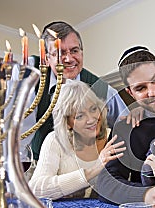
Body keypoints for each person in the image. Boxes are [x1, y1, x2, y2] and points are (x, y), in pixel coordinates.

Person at [96, 46, 155, 208]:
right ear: (130, 93)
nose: (152, 92)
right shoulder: (127, 128)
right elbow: (105, 183)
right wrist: (145, 194)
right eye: (141, 88)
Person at [22, 21, 128, 160]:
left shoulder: (102, 89)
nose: (69, 59)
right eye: (60, 53)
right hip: (39, 168)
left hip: (88, 169)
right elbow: (18, 132)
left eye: (74, 51)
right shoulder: (34, 77)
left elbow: (127, 128)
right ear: (47, 59)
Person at [29, 80, 126, 200]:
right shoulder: (55, 140)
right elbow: (36, 189)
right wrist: (93, 170)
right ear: (67, 123)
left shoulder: (115, 137)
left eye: (93, 109)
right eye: (80, 116)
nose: (91, 119)